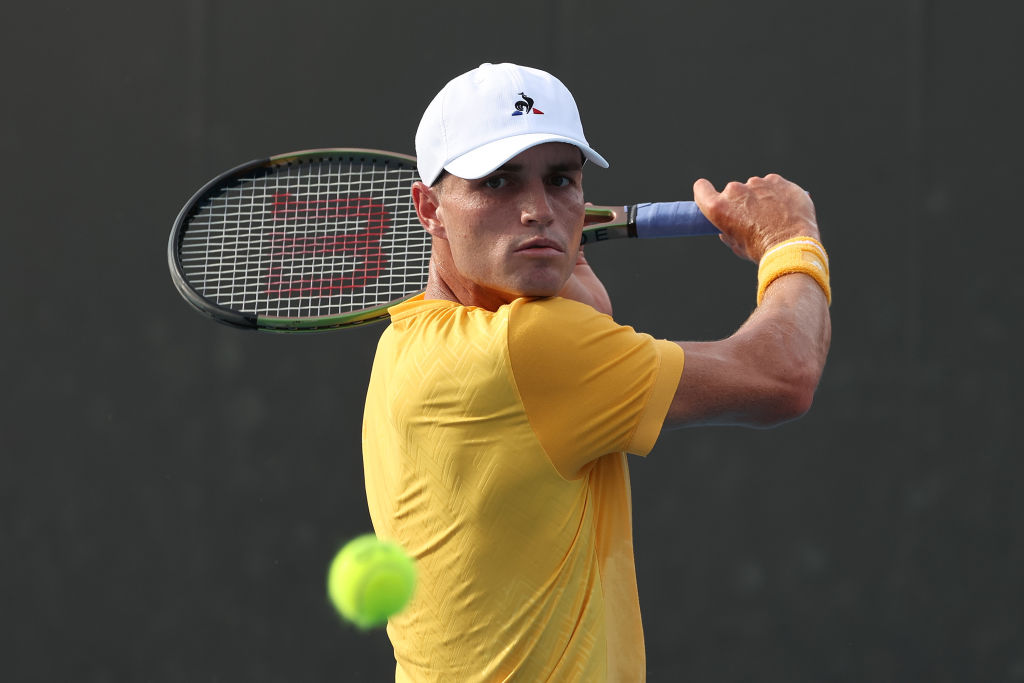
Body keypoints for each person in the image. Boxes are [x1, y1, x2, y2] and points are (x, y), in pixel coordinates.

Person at [361, 62, 831, 682]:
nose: (536, 210)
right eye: (498, 182)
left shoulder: (408, 343)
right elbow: (783, 373)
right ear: (430, 208)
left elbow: (586, 315)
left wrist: (556, 255)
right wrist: (790, 240)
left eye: (560, 180)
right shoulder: (530, 351)